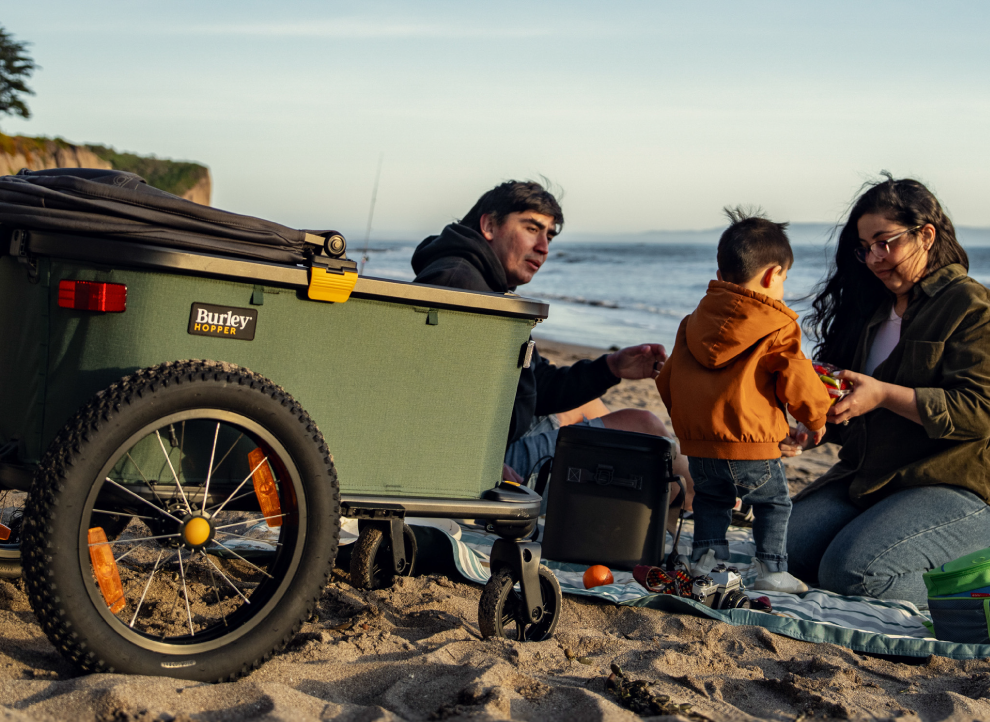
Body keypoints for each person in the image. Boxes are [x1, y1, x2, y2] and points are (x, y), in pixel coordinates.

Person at [784, 175, 990, 607]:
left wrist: (882, 394)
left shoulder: (971, 305)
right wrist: (817, 428)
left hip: (952, 482)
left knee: (855, 574)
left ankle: (975, 591)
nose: (875, 258)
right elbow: (864, 407)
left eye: (886, 242)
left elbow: (978, 411)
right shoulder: (874, 308)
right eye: (865, 247)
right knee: (782, 550)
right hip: (871, 478)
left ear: (926, 235)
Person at [411, 180, 682, 488]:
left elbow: (536, 384)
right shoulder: (461, 287)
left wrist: (611, 368)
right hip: (471, 463)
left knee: (586, 406)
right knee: (645, 426)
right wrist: (480, 461)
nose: (543, 248)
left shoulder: (485, 286)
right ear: (488, 225)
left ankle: (689, 496)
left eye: (549, 236)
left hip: (490, 440)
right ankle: (692, 501)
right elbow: (422, 393)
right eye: (531, 229)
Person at [656, 209, 832, 593]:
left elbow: (668, 380)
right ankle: (771, 570)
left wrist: (692, 427)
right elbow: (797, 380)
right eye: (784, 278)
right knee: (774, 504)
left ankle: (707, 561)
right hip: (752, 448)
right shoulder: (778, 324)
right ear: (773, 275)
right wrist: (817, 419)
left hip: (701, 447)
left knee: (710, 500)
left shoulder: (692, 322)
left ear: (721, 276)